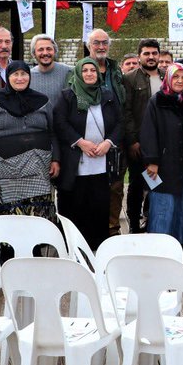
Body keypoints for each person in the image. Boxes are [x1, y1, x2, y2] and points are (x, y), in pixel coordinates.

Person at [54, 57, 124, 252]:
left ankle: (97, 247)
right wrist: (80, 142)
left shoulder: (107, 96)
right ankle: (73, 247)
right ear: (77, 73)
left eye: (92, 70)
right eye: (84, 70)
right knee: (75, 204)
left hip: (101, 160)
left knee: (98, 204)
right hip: (75, 161)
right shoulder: (68, 96)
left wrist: (108, 143)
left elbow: (120, 123)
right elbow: (60, 123)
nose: (89, 74)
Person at [0, 61, 60, 227]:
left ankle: (38, 245)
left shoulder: (43, 101)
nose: (20, 78)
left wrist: (56, 159)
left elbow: (53, 132)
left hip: (38, 167)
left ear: (29, 77)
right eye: (15, 74)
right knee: (4, 211)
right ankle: (5, 247)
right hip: (2, 167)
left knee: (37, 212)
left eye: (24, 74)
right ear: (8, 77)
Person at [140, 63, 183, 247]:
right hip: (163, 163)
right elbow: (148, 132)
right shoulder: (157, 101)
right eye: (176, 77)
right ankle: (161, 243)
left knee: (182, 203)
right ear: (168, 79)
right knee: (163, 204)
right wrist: (152, 160)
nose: (180, 81)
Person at [87, 28, 128, 237]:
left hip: (114, 137)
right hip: (89, 141)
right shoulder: (81, 69)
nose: (101, 46)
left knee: (115, 185)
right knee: (92, 186)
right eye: (96, 43)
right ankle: (92, 228)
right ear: (89, 46)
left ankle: (112, 228)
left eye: (104, 43)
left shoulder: (115, 70)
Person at [123, 38, 163, 233]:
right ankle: (133, 223)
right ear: (139, 56)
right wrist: (133, 140)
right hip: (139, 143)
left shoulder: (166, 77)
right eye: (146, 53)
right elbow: (127, 111)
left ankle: (152, 220)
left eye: (154, 53)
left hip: (162, 143)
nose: (151, 57)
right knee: (137, 185)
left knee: (156, 184)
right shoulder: (130, 79)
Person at [29, 33, 73, 103]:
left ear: (55, 51)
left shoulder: (69, 72)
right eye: (40, 49)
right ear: (34, 53)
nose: (45, 53)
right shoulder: (28, 77)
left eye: (49, 49)